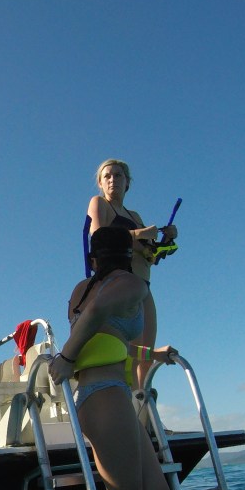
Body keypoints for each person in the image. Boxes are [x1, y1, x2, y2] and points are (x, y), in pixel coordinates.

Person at [49, 226, 177, 490]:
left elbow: (108, 342)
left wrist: (152, 355)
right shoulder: (132, 284)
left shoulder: (82, 290)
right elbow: (96, 313)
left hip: (106, 397)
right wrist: (66, 358)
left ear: (93, 259)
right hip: (105, 398)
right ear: (130, 255)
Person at [86, 159, 178, 387]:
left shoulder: (134, 215)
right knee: (128, 355)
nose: (113, 179)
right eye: (107, 176)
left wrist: (166, 240)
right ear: (100, 182)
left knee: (146, 355)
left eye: (118, 175)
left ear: (127, 183)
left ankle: (145, 415)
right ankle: (130, 413)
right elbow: (99, 237)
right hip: (119, 285)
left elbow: (151, 257)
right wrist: (140, 234)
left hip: (143, 285)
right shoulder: (99, 204)